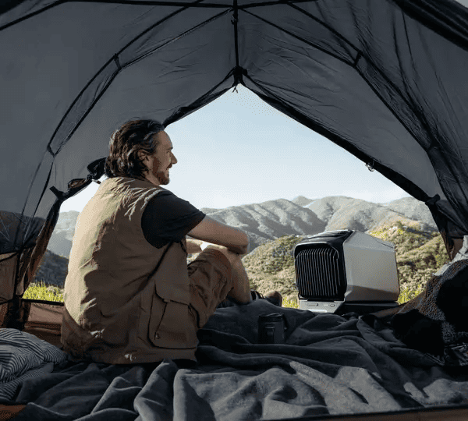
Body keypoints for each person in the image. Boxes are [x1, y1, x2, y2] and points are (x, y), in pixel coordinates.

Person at [60, 119, 281, 365]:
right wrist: (212, 249)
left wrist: (199, 246)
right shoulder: (156, 201)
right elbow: (240, 242)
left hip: (81, 341)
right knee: (225, 255)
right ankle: (256, 310)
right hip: (135, 346)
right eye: (168, 152)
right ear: (144, 157)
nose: (173, 161)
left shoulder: (101, 199)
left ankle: (245, 301)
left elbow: (145, 243)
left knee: (195, 256)